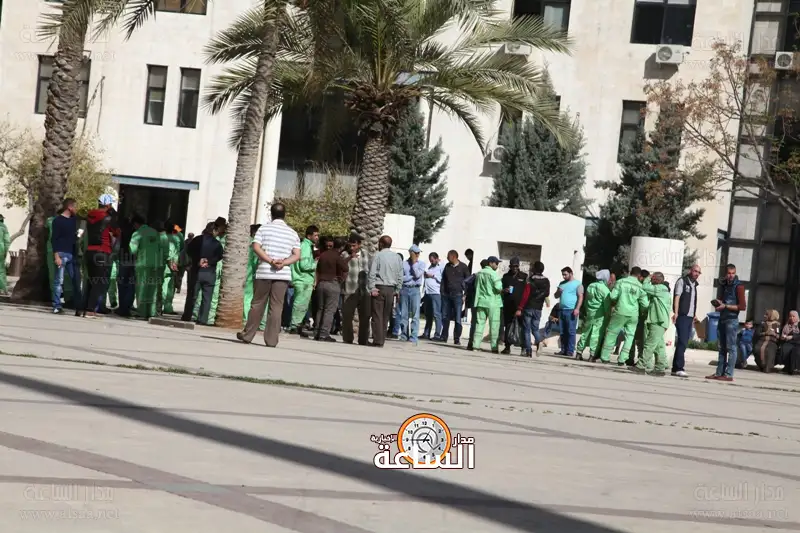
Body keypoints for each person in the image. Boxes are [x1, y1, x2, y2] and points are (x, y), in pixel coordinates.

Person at [238, 203, 301, 347]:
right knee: (276, 307)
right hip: (282, 274)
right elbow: (297, 255)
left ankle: (248, 335)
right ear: (285, 214)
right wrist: (283, 263)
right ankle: (272, 340)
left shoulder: (263, 229)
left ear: (271, 214)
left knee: (257, 304)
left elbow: (256, 247)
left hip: (264, 272)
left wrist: (270, 261)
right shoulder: (292, 233)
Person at [598, 266, 647, 364]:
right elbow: (645, 304)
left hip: (620, 311)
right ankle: (622, 359)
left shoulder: (621, 282)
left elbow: (613, 296)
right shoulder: (640, 286)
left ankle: (605, 357)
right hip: (633, 314)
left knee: (612, 333)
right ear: (639, 275)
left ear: (630, 272)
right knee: (630, 336)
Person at [81, 195, 119, 318]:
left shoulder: (90, 215)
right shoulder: (108, 218)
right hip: (102, 252)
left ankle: (82, 308)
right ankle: (90, 310)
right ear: (108, 205)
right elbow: (117, 232)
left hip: (90, 250)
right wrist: (114, 215)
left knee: (90, 281)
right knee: (99, 283)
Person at [707, 264, 746, 382]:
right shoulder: (724, 285)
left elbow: (742, 306)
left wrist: (726, 306)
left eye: (733, 273)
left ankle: (729, 374)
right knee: (721, 347)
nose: (731, 276)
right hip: (722, 318)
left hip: (732, 319)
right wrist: (719, 303)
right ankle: (719, 372)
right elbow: (722, 301)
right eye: (729, 273)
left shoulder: (739, 286)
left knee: (731, 347)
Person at [305, 237, 348, 342]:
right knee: (329, 310)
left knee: (320, 309)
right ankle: (324, 334)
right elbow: (345, 268)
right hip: (332, 283)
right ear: (341, 247)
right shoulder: (337, 256)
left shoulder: (323, 255)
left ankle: (317, 332)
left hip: (321, 284)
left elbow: (318, 269)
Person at [181, 222, 223, 325]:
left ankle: (187, 316)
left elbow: (189, 250)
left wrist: (197, 260)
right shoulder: (217, 243)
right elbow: (220, 256)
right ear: (214, 231)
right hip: (210, 272)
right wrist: (209, 261)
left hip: (196, 271)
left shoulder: (197, 240)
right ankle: (203, 319)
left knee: (192, 295)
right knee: (207, 298)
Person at [368, 235, 403, 347]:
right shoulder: (397, 257)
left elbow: (372, 273)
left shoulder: (378, 256)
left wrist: (372, 287)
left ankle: (377, 340)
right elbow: (400, 275)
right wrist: (397, 289)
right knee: (385, 315)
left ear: (381, 244)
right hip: (391, 289)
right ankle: (381, 339)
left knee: (377, 315)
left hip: (380, 287)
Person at [633, 272, 671, 375]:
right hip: (660, 321)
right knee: (658, 346)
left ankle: (641, 366)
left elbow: (644, 287)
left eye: (652, 279)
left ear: (656, 280)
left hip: (658, 321)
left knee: (649, 345)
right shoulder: (663, 290)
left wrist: (647, 278)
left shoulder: (659, 289)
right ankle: (660, 368)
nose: (651, 281)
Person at [51, 198, 82, 315]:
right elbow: (54, 239)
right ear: (69, 207)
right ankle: (57, 306)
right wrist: (56, 256)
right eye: (75, 206)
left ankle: (78, 307)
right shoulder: (57, 221)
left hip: (72, 254)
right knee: (59, 281)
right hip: (61, 253)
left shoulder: (74, 220)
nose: (76, 209)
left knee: (75, 280)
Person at [129, 216, 163, 319]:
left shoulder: (137, 233)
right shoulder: (155, 232)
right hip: (155, 264)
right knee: (152, 288)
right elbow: (160, 248)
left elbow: (132, 249)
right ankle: (151, 312)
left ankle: (142, 312)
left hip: (143, 264)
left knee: (142, 288)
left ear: (136, 224)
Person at [671, 264, 701, 378]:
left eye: (698, 272)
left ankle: (675, 368)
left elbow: (692, 302)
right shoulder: (682, 281)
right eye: (695, 271)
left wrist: (694, 315)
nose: (697, 274)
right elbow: (677, 297)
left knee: (683, 342)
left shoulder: (694, 285)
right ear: (690, 271)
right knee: (682, 341)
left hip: (690, 317)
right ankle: (679, 368)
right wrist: (676, 313)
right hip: (682, 316)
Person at [516, 261, 551, 357]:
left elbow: (525, 295)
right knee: (535, 329)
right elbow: (547, 293)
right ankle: (539, 341)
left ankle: (528, 351)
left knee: (526, 330)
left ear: (534, 269)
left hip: (528, 307)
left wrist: (520, 308)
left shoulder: (530, 280)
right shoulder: (546, 281)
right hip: (538, 308)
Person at [289, 225, 319, 334]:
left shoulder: (305, 246)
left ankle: (296, 325)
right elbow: (304, 265)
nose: (317, 237)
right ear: (309, 236)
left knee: (301, 304)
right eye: (315, 235)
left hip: (302, 279)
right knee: (301, 304)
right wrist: (315, 264)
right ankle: (295, 326)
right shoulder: (306, 247)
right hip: (303, 280)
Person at [341, 234, 370, 345]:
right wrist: (350, 257)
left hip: (364, 289)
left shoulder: (365, 253)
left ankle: (363, 339)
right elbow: (341, 265)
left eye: (354, 245)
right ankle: (348, 338)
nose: (352, 248)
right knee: (347, 315)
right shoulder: (345, 254)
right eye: (350, 245)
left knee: (365, 316)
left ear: (359, 245)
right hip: (349, 289)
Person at [469, 256, 503, 353]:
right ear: (491, 263)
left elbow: (477, 287)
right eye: (496, 263)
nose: (497, 265)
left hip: (481, 302)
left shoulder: (479, 273)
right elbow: (498, 288)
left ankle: (475, 345)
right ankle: (494, 347)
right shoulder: (494, 274)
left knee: (479, 324)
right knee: (494, 325)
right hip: (493, 303)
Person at [576, 269, 611, 361]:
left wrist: (586, 310)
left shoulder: (590, 286)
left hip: (589, 312)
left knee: (585, 332)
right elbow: (607, 305)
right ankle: (592, 355)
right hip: (600, 315)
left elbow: (586, 300)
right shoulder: (605, 290)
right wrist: (608, 315)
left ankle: (579, 352)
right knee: (596, 334)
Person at [438, 250, 470, 345]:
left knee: (457, 317)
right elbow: (443, 280)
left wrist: (465, 295)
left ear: (454, 257)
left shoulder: (463, 267)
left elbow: (468, 281)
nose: (447, 258)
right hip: (446, 295)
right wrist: (442, 292)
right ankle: (444, 336)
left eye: (448, 256)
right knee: (445, 316)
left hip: (458, 295)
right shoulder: (447, 266)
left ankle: (456, 338)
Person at [200, 217, 227, 325]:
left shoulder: (227, 238)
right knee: (206, 295)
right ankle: (203, 317)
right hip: (210, 268)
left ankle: (209, 317)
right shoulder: (211, 238)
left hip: (220, 269)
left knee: (214, 296)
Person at [398, 245, 425, 345]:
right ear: (411, 253)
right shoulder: (403, 263)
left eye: (418, 253)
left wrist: (414, 263)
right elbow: (400, 277)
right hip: (404, 289)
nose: (417, 255)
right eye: (415, 253)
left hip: (415, 289)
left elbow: (417, 275)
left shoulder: (421, 264)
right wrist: (410, 277)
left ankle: (413, 336)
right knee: (404, 314)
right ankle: (404, 335)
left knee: (415, 314)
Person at [500, 257, 528, 354]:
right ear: (510, 266)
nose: (514, 268)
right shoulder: (506, 276)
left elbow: (527, 291)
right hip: (508, 305)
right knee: (508, 326)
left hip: (520, 306)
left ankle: (523, 348)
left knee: (522, 326)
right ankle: (507, 347)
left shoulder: (524, 276)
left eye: (516, 266)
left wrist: (522, 306)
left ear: (518, 266)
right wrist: (504, 290)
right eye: (513, 266)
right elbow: (501, 289)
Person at [554, 266, 583, 357]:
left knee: (571, 331)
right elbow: (556, 296)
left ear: (571, 273)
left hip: (571, 310)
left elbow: (580, 297)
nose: (564, 276)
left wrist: (577, 308)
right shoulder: (562, 283)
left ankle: (570, 351)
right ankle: (563, 350)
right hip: (562, 310)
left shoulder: (578, 284)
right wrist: (559, 292)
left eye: (565, 274)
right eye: (563, 275)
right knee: (562, 331)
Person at [243, 224, 267, 330]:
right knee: (250, 298)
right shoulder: (255, 245)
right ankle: (251, 320)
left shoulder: (247, 243)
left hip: (249, 273)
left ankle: (247, 320)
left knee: (249, 298)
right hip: (252, 274)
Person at [160, 222, 182, 314]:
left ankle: (159, 306)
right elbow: (181, 248)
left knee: (161, 287)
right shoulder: (177, 238)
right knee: (169, 288)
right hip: (172, 266)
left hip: (162, 265)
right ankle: (168, 308)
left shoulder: (161, 237)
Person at [629, 268, 650, 367]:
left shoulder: (639, 286)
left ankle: (630, 358)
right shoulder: (644, 287)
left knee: (633, 338)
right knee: (639, 340)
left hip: (637, 315)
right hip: (641, 316)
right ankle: (638, 358)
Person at [422, 252, 443, 340]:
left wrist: (433, 275)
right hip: (427, 292)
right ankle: (426, 333)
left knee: (437, 314)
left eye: (432, 260)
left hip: (436, 293)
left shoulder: (441, 267)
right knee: (428, 314)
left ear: (437, 259)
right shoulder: (430, 267)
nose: (431, 262)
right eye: (430, 260)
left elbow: (442, 279)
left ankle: (437, 334)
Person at [780, 310, 800, 375]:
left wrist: (793, 336)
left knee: (795, 351)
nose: (791, 318)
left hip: (798, 342)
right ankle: (788, 367)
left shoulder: (799, 324)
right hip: (789, 342)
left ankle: (794, 368)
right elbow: (782, 334)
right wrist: (783, 337)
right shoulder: (786, 325)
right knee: (785, 348)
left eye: (793, 316)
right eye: (790, 316)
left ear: (797, 316)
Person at [0, 214, 10, 295]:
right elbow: (7, 241)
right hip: (1, 249)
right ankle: (3, 289)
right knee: (1, 270)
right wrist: (6, 251)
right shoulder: (4, 227)